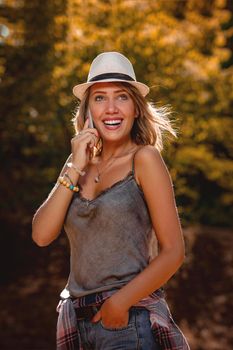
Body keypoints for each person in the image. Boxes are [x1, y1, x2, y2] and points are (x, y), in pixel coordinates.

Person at [32, 52, 190, 350]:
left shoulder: (144, 159)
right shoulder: (77, 164)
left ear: (136, 109)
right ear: (88, 110)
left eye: (122, 97)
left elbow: (173, 251)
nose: (111, 108)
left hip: (126, 321)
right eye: (100, 98)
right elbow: (41, 235)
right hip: (76, 324)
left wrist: (119, 304)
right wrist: (75, 165)